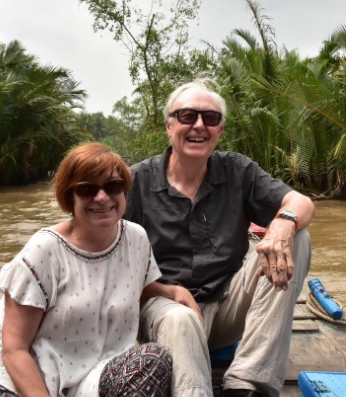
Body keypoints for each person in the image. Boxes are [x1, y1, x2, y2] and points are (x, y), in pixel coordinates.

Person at [124, 79, 315, 397]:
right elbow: (109, 261)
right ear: (169, 125)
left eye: (210, 118)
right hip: (164, 311)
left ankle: (246, 383)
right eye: (187, 116)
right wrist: (165, 289)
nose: (199, 125)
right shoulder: (136, 182)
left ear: (219, 131)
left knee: (299, 236)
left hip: (226, 307)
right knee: (181, 319)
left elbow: (303, 203)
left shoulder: (238, 171)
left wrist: (283, 223)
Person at [0, 142, 199, 397]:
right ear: (69, 198)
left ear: (124, 192)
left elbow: (135, 287)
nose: (102, 197)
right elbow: (14, 350)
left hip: (87, 377)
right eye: (87, 190)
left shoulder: (136, 238)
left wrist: (171, 290)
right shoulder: (45, 251)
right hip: (14, 379)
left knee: (153, 360)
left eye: (113, 186)